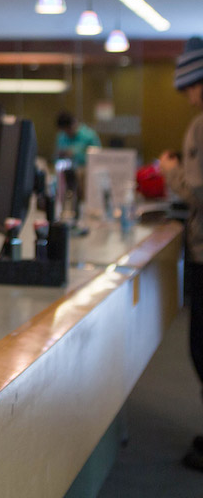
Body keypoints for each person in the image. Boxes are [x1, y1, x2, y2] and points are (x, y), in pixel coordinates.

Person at [159, 37, 203, 471]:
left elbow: (199, 196)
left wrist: (172, 173)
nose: (189, 98)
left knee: (201, 348)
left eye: (189, 87)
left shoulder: (201, 127)